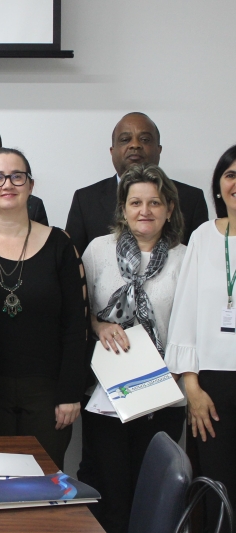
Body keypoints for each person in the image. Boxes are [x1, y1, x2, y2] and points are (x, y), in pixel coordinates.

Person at [0, 148, 87, 469]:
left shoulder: (60, 245)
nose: (7, 184)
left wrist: (71, 393)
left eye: (17, 176)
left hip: (47, 394)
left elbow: (74, 325)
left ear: (30, 185)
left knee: (42, 484)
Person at [80, 164, 186, 533]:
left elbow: (188, 326)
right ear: (122, 208)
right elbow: (80, 311)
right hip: (107, 393)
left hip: (162, 394)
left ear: (169, 209)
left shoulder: (184, 258)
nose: (145, 210)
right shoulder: (97, 251)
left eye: (155, 202)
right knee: (109, 486)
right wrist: (98, 323)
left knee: (152, 488)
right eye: (136, 202)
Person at [166, 144, 236, 527]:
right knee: (214, 490)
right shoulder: (203, 237)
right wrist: (191, 386)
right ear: (219, 186)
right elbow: (185, 314)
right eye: (230, 174)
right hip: (210, 387)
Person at [65, 112, 208, 256]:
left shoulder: (191, 198)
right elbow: (72, 265)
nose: (135, 145)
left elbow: (200, 261)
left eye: (145, 139)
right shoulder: (85, 200)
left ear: (159, 150)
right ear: (112, 151)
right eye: (125, 139)